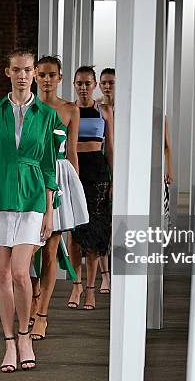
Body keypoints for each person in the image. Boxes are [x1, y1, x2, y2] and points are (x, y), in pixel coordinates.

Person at [0, 49, 61, 373]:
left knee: (21, 273)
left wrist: (50, 210)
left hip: (32, 198)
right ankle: (9, 343)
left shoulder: (47, 116)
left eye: (27, 70)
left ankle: (25, 336)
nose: (22, 75)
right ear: (7, 72)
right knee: (3, 274)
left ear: (34, 73)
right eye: (16, 70)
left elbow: (50, 166)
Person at [29, 56, 88, 341]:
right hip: (29, 177)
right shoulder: (27, 107)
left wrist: (74, 190)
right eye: (42, 74)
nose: (46, 79)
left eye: (51, 74)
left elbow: (72, 151)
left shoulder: (70, 109)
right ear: (35, 76)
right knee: (28, 249)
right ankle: (33, 296)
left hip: (59, 175)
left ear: (60, 77)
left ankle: (42, 313)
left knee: (50, 250)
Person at [68, 66, 114, 311]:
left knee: (94, 232)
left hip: (97, 170)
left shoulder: (104, 111)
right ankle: (76, 284)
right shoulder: (69, 109)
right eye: (79, 83)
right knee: (75, 231)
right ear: (74, 85)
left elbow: (111, 148)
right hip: (74, 170)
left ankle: (90, 289)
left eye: (87, 83)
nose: (83, 87)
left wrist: (113, 179)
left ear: (94, 85)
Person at [96, 67, 115, 294]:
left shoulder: (126, 107)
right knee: (102, 224)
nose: (107, 86)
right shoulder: (97, 108)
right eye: (104, 82)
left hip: (124, 167)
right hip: (102, 167)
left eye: (111, 82)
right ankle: (105, 276)